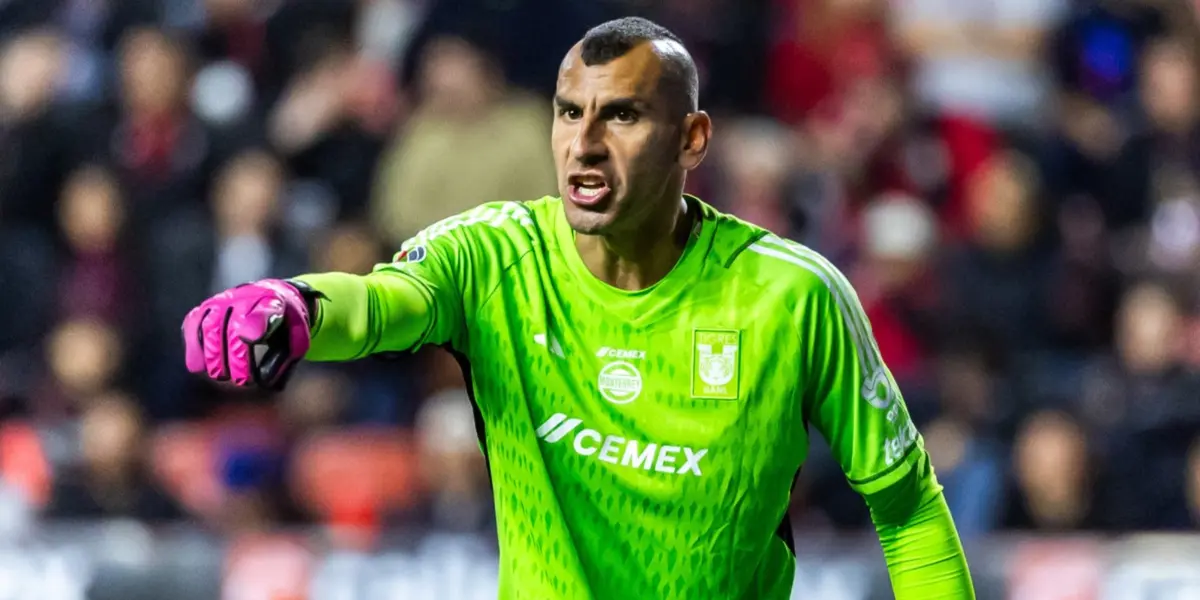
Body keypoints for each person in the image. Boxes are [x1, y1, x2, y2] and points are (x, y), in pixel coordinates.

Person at [181, 17, 974, 599]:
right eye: (569, 112)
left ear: (692, 138)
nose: (584, 143)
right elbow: (386, 301)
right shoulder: (494, 256)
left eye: (621, 115)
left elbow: (906, 511)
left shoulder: (793, 296)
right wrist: (293, 304)